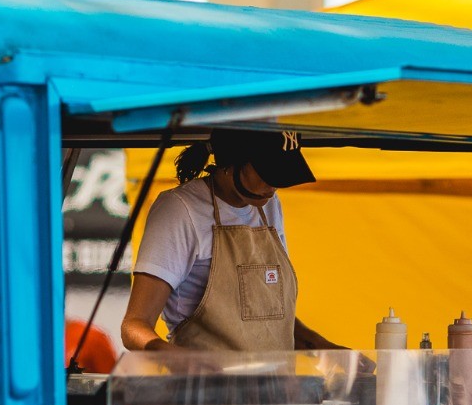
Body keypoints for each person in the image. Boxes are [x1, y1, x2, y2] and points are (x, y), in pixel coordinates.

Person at [120, 129, 348, 352]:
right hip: (207, 387)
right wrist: (184, 364)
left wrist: (325, 350)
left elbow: (263, 319)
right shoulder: (181, 208)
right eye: (267, 172)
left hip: (274, 387)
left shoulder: (269, 205)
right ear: (231, 161)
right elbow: (134, 326)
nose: (273, 186)